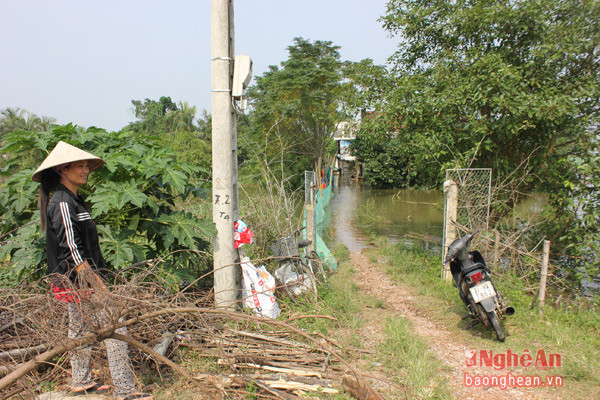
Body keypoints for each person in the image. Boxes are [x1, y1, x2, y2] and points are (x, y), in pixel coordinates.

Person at [33, 141, 153, 400]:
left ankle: (82, 381)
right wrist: (97, 284)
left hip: (79, 279)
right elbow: (73, 251)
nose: (86, 170)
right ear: (63, 169)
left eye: (87, 165)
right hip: (78, 280)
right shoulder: (63, 203)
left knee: (79, 329)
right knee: (115, 326)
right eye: (80, 165)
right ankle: (125, 391)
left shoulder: (75, 200)